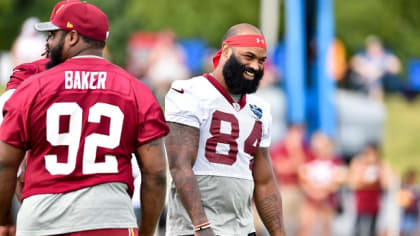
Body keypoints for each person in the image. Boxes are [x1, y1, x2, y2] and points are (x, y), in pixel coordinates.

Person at [0, 1, 169, 236]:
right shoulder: (136, 90)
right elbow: (156, 173)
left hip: (41, 220)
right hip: (109, 219)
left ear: (71, 37)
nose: (48, 42)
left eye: (52, 34)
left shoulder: (32, 88)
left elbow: (4, 164)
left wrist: (4, 219)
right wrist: (147, 231)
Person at [164, 23, 285, 236]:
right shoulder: (189, 92)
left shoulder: (261, 108)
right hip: (194, 229)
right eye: (248, 56)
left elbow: (264, 181)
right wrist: (201, 225)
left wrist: (279, 233)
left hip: (242, 228)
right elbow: (180, 166)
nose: (255, 66)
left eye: (261, 60)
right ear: (227, 51)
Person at [348, 143, 392, 236]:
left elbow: (387, 183)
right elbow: (352, 183)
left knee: (373, 229)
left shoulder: (381, 165)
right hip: (360, 204)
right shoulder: (359, 164)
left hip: (375, 204)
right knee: (358, 229)